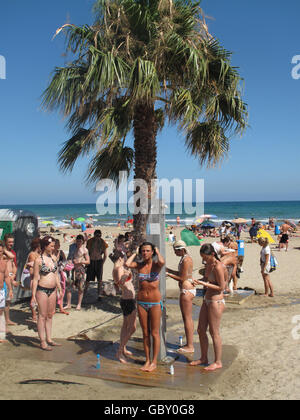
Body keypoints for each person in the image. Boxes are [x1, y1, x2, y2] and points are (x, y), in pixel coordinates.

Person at [125, 242, 165, 372]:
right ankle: (147, 360)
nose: (145, 253)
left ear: (152, 252)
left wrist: (157, 251)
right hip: (141, 302)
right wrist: (135, 253)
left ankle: (154, 362)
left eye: (148, 250)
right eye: (143, 251)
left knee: (155, 333)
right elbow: (127, 264)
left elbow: (162, 262)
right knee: (145, 333)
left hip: (154, 302)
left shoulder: (156, 265)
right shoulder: (139, 265)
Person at [191, 244, 226, 372]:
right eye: (202, 258)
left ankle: (218, 361)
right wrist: (198, 281)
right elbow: (206, 278)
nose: (204, 260)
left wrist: (204, 283)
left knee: (214, 332)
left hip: (216, 300)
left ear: (212, 254)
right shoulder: (208, 265)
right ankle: (203, 357)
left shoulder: (218, 266)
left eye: (205, 257)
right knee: (200, 329)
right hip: (207, 299)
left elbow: (222, 287)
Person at [31, 236, 63, 351]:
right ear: (45, 246)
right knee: (42, 316)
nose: (54, 248)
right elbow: (35, 279)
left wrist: (60, 288)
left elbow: (56, 274)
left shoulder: (53, 258)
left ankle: (49, 338)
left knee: (50, 315)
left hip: (53, 289)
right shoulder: (38, 260)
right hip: (42, 290)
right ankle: (42, 341)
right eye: (52, 246)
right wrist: (33, 295)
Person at [166, 240, 195, 353]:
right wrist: (169, 270)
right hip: (188, 288)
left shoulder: (186, 260)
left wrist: (168, 274)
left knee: (187, 318)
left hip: (186, 290)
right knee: (188, 318)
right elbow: (181, 274)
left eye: (175, 251)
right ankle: (189, 344)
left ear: (181, 250)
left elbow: (182, 278)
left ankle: (190, 346)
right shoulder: (185, 258)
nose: (174, 253)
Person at [111, 249, 136, 364]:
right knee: (132, 328)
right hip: (128, 300)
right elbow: (120, 283)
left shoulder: (120, 268)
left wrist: (135, 253)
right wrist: (126, 276)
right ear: (120, 259)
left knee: (125, 326)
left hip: (127, 299)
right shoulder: (117, 269)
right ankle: (120, 351)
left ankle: (123, 348)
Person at [65, 235, 90, 311]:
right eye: (77, 241)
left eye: (80, 241)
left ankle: (79, 304)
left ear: (83, 241)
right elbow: (69, 257)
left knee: (80, 287)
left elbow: (88, 261)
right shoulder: (72, 247)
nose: (79, 242)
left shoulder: (85, 250)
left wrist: (80, 261)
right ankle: (68, 304)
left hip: (79, 269)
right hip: (71, 268)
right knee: (69, 285)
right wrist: (69, 262)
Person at [86, 230, 108, 300]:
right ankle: (85, 291)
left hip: (99, 261)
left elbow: (105, 254)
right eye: (96, 236)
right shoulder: (90, 242)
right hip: (91, 261)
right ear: (94, 235)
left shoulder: (102, 242)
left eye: (99, 236)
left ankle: (99, 294)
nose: (98, 237)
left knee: (100, 279)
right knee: (88, 278)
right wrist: (87, 261)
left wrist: (102, 263)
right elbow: (86, 252)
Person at [3, 234, 18, 327]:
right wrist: (4, 249)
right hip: (3, 279)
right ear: (5, 242)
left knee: (8, 301)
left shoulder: (12, 252)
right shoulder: (3, 253)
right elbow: (11, 257)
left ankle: (7, 319)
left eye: (12, 242)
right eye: (9, 242)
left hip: (10, 277)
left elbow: (14, 266)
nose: (11, 244)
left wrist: (14, 275)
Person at [25, 238, 41, 322]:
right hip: (33, 278)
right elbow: (31, 270)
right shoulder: (32, 255)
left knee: (38, 297)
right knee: (34, 297)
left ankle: (36, 313)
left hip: (38, 278)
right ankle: (34, 314)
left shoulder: (37, 254)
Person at [0, 241, 13, 343]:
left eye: (1, 251)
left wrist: (10, 289)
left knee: (0, 311)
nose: (0, 253)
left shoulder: (4, 262)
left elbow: (6, 277)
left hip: (1, 290)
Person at [53, 239, 68, 315]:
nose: (57, 245)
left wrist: (62, 265)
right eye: (56, 244)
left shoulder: (61, 252)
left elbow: (65, 261)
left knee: (61, 290)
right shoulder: (51, 253)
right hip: (53, 273)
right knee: (54, 291)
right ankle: (53, 308)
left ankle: (61, 307)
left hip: (60, 272)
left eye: (58, 244)